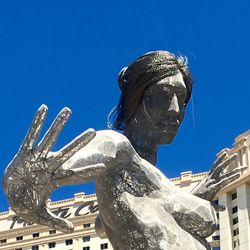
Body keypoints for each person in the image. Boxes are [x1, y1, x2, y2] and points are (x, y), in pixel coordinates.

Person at [3, 51, 242, 250]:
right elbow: (88, 157)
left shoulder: (156, 184)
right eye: (164, 95)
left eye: (182, 99)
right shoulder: (115, 147)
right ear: (137, 97)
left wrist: (198, 194)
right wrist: (32, 181)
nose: (176, 110)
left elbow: (153, 209)